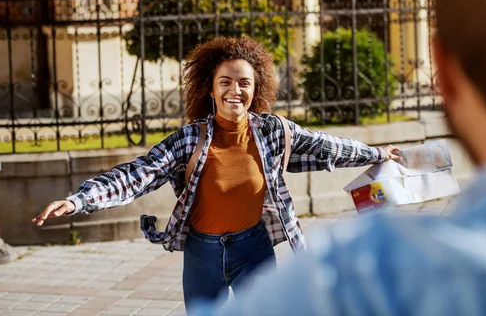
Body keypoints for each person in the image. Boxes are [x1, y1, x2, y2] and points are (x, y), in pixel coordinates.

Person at [189, 0, 486, 314]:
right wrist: (376, 154)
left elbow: (322, 146)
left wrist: (373, 158)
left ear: (441, 70)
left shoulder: (361, 275)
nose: (235, 91)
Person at [32, 36, 400, 312]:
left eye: (244, 83)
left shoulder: (272, 130)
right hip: (202, 255)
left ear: (255, 91)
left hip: (253, 249)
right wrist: (79, 199)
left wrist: (378, 152)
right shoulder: (190, 139)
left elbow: (327, 147)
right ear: (210, 88)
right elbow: (139, 173)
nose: (235, 90)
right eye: (225, 82)